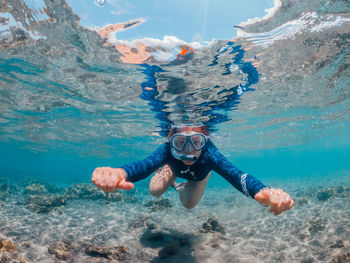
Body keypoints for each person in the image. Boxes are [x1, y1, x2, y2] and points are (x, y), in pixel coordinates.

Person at [92, 125, 294, 216]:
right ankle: (168, 173)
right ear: (170, 140)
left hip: (199, 176)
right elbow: (144, 164)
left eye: (196, 142)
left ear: (205, 139)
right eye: (180, 142)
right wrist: (121, 172)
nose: (188, 151)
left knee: (188, 204)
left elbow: (236, 174)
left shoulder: (210, 155)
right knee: (154, 191)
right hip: (172, 168)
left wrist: (262, 191)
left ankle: (181, 185)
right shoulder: (165, 151)